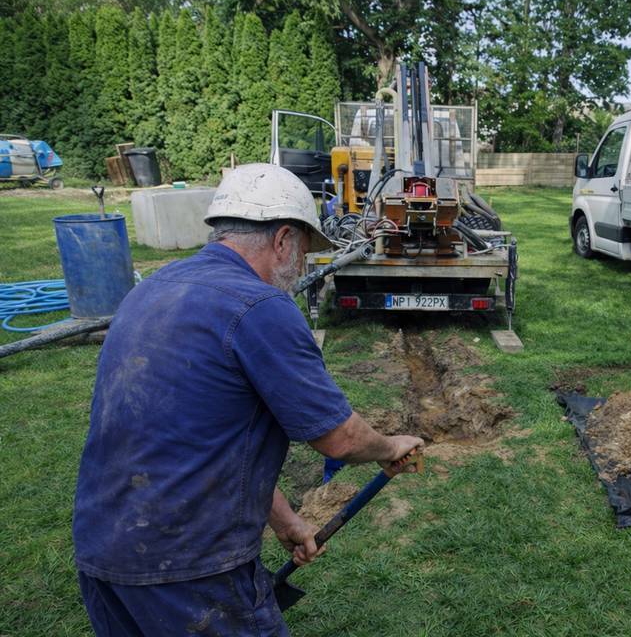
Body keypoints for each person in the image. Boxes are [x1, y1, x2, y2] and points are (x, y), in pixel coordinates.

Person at [72, 163, 423, 636]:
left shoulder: (152, 289)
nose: (301, 267)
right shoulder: (260, 307)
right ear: (283, 239)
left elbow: (202, 435)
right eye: (303, 252)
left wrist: (285, 521)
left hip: (105, 547)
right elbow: (339, 438)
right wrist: (391, 446)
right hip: (189, 564)